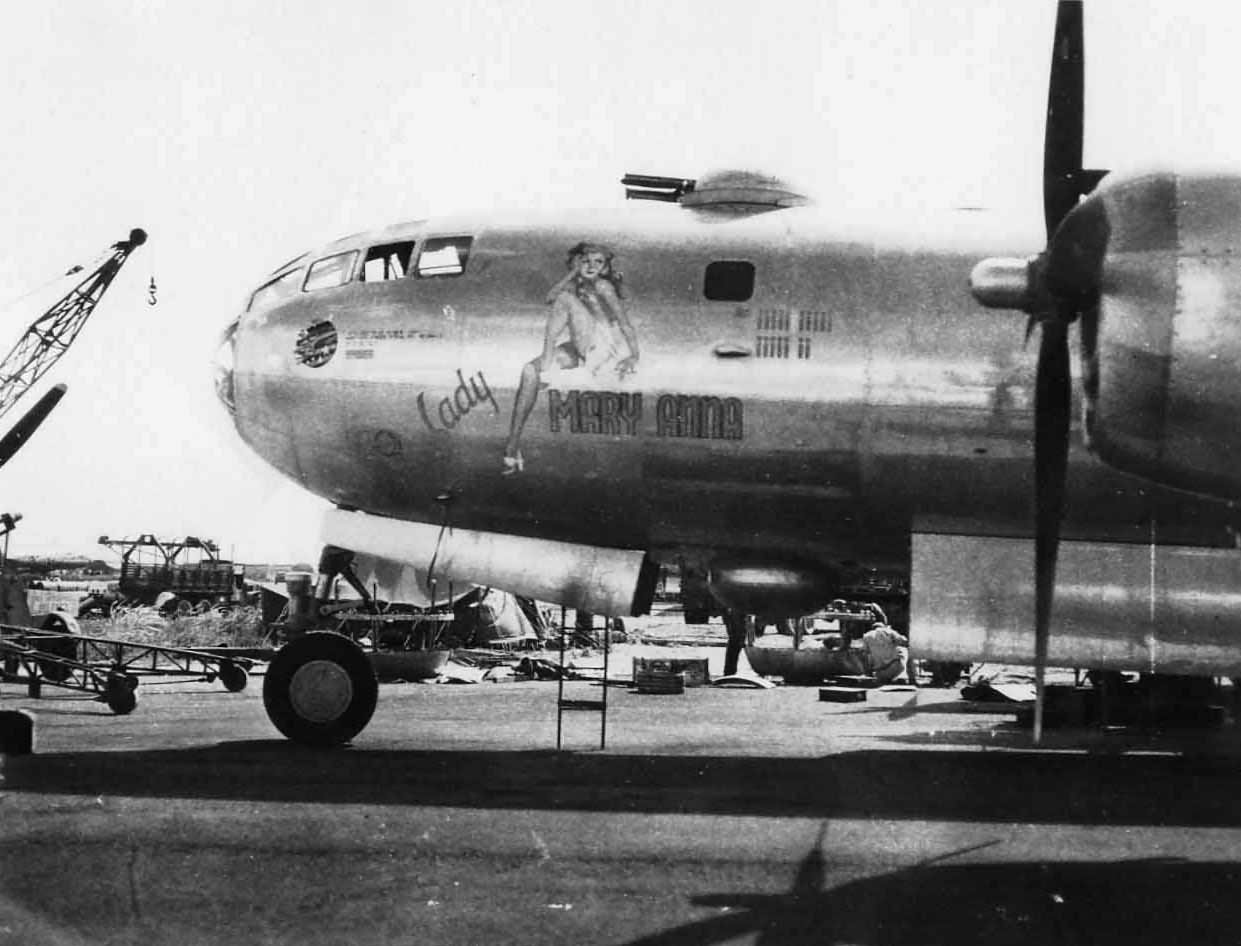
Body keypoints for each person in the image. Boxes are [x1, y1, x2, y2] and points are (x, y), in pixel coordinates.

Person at [502, 242, 639, 474]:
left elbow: (623, 322)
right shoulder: (576, 285)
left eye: (598, 262)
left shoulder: (604, 286)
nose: (591, 266)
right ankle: (512, 448)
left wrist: (634, 356)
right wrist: (575, 273)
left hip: (602, 349)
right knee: (528, 370)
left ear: (605, 268)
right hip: (581, 347)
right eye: (586, 261)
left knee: (565, 300)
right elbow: (549, 297)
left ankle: (547, 366)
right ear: (578, 263)